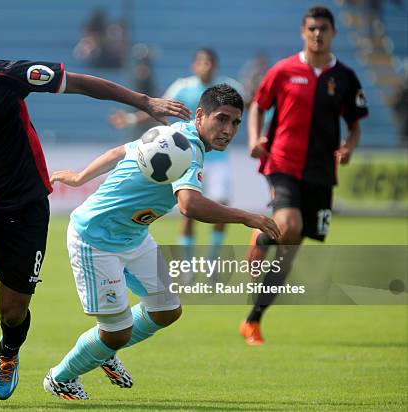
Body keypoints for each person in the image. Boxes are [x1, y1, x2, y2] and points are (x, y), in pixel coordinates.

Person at [0, 17, 190, 402]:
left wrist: (143, 101)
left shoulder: (4, 76)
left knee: (12, 311)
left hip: (24, 209)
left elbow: (77, 82)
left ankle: (8, 355)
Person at [43, 84, 280, 400]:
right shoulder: (188, 147)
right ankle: (60, 378)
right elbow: (189, 205)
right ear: (200, 115)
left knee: (166, 310)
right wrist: (247, 217)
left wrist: (80, 177)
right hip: (96, 237)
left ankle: (103, 350)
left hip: (134, 237)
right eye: (221, 119)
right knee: (115, 332)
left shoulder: (176, 131)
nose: (228, 130)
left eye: (235, 123)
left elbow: (120, 151)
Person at [240, 6, 369, 346]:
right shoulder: (283, 70)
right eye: (312, 28)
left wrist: (349, 146)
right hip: (282, 162)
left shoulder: (344, 77)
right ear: (303, 32)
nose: (317, 34)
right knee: (291, 224)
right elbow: (258, 104)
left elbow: (354, 124)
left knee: (290, 251)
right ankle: (263, 237)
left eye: (323, 29)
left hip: (321, 173)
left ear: (333, 33)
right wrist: (255, 140)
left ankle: (253, 320)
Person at [110, 48, 243, 268]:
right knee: (189, 212)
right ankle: (187, 265)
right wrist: (132, 119)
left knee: (221, 208)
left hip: (218, 161)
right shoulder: (183, 87)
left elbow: (254, 101)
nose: (206, 66)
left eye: (209, 62)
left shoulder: (228, 89)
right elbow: (161, 106)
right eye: (201, 62)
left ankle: (212, 261)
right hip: (187, 157)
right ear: (194, 66)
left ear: (215, 66)